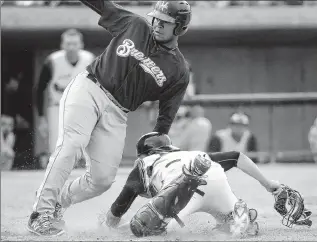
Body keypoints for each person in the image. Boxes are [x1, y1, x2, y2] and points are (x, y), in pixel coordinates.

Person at [27, 0, 191, 236]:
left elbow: (167, 114)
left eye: (166, 21)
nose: (157, 24)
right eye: (156, 18)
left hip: (117, 112)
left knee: (102, 180)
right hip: (89, 88)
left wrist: (157, 145)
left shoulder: (179, 71)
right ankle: (40, 213)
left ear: (180, 27)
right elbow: (104, 5)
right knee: (72, 144)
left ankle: (57, 202)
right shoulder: (136, 24)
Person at [100, 132, 312, 238]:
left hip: (182, 192)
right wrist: (269, 184)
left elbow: (117, 209)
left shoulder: (144, 164)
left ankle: (183, 191)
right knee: (224, 227)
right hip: (215, 177)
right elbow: (238, 157)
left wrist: (111, 227)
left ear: (142, 154)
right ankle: (235, 217)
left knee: (146, 229)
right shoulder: (189, 153)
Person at [36, 28, 95, 168]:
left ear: (81, 45)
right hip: (57, 107)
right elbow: (39, 89)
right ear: (62, 45)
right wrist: (41, 118)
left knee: (85, 144)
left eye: (75, 43)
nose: (72, 47)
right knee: (57, 147)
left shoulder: (89, 59)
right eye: (68, 44)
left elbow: (99, 86)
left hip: (82, 107)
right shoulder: (52, 61)